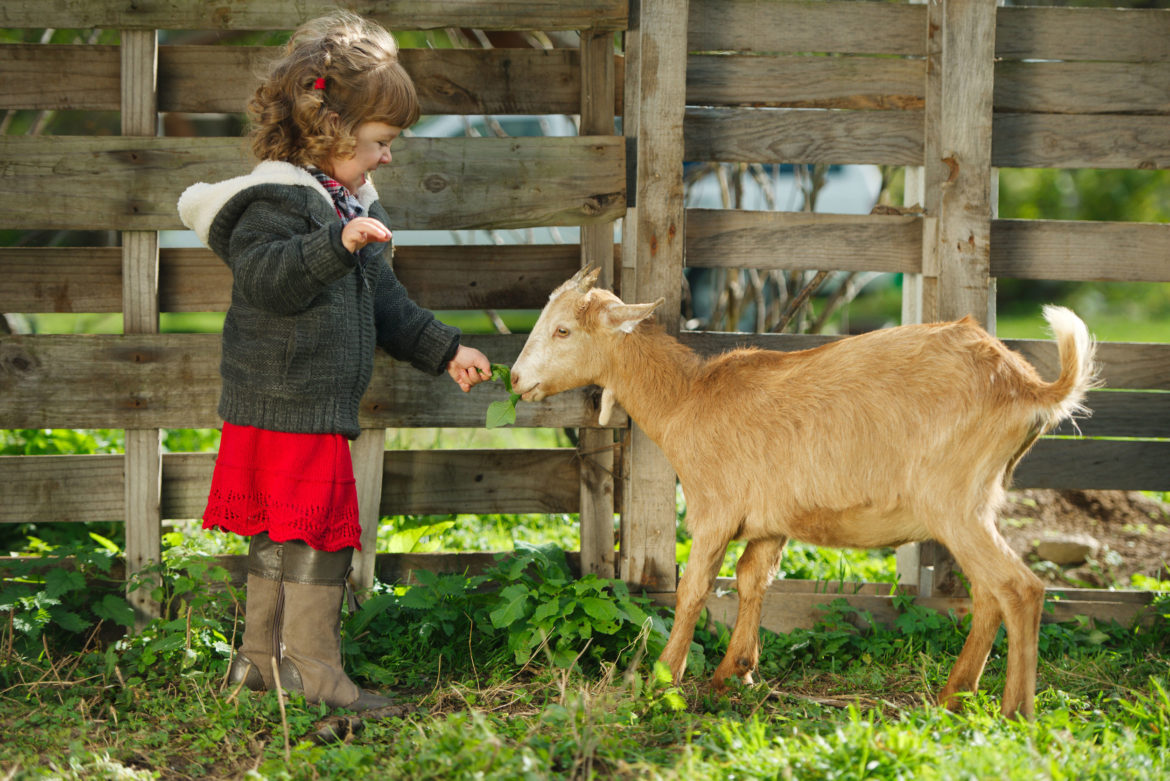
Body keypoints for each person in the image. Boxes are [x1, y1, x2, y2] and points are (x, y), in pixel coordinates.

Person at [177, 11, 490, 714]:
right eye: (380, 142)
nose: (388, 157)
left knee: (287, 532)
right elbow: (266, 278)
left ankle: (262, 666)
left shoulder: (347, 205)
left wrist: (446, 350)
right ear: (330, 129)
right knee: (305, 530)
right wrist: (335, 244)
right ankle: (309, 672)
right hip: (283, 404)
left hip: (309, 409)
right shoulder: (273, 201)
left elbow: (387, 306)